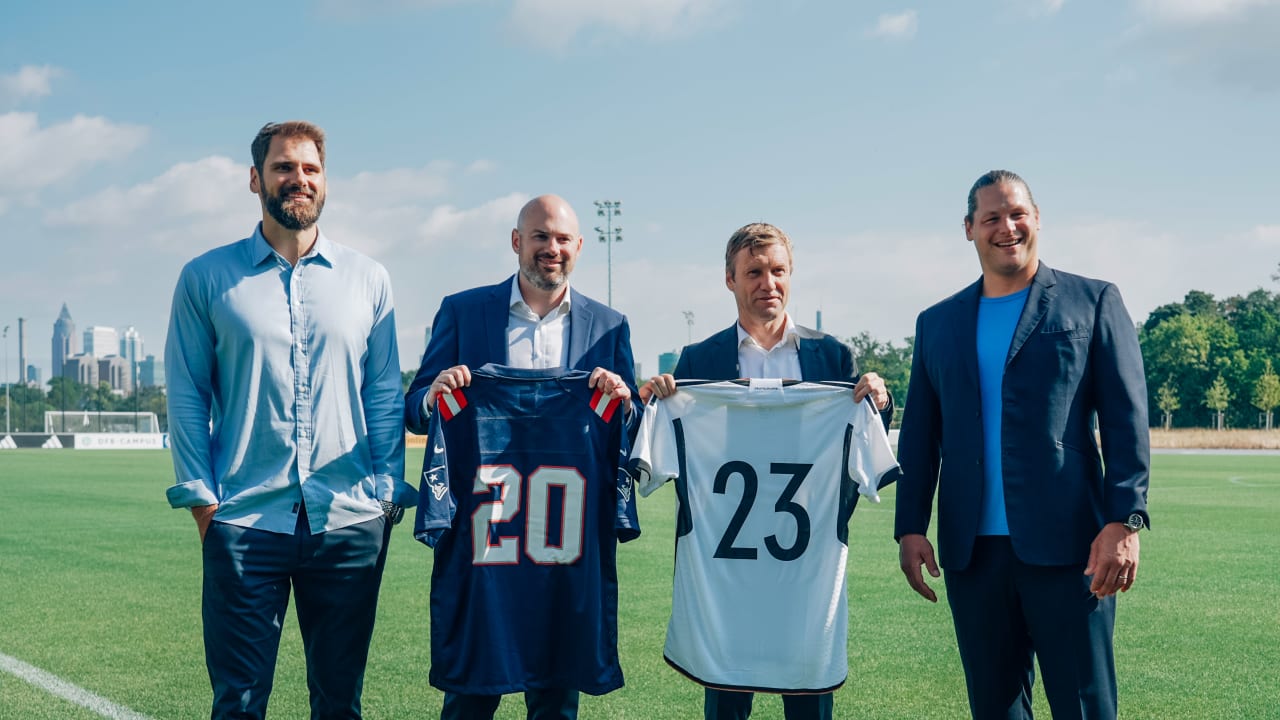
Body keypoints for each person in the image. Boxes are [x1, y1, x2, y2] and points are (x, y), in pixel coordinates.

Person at [165, 121, 410, 720]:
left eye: (310, 169)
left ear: (324, 183)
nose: (297, 179)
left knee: (339, 702)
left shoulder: (369, 279)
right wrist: (203, 500)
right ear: (256, 180)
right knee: (239, 703)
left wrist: (383, 494)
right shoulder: (207, 278)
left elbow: (382, 393)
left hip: (349, 520)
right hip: (244, 519)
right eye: (283, 167)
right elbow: (188, 392)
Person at [895, 170, 1150, 719]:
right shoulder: (936, 323)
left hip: (1072, 550)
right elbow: (919, 436)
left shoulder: (1094, 301)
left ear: (1037, 219)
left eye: (1017, 214)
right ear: (969, 229)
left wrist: (1125, 521)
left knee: (1084, 708)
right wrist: (911, 527)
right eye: (991, 218)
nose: (1006, 227)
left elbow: (1128, 420)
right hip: (973, 555)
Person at [641, 222, 892, 720]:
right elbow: (670, 461)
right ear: (730, 280)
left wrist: (878, 402)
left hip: (807, 562)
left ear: (791, 274)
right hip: (724, 566)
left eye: (778, 271)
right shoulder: (699, 360)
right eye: (753, 272)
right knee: (728, 698)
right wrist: (654, 403)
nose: (768, 283)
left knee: (808, 694)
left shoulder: (833, 357)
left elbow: (861, 445)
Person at [403, 194, 637, 720]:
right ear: (516, 242)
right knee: (471, 694)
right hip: (484, 539)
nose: (550, 249)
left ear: (578, 246)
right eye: (539, 237)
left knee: (556, 693)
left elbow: (632, 423)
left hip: (565, 541)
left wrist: (624, 399)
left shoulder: (609, 326)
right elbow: (417, 411)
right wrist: (433, 392)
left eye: (561, 240)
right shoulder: (463, 311)